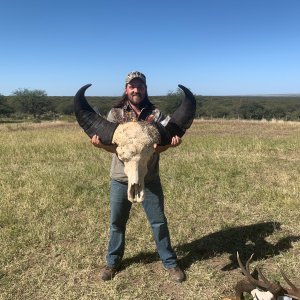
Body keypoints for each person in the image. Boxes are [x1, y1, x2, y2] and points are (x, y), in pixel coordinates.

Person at [91, 71, 185, 282]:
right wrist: (100, 145)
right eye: (132, 86)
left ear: (145, 88)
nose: (136, 90)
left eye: (140, 86)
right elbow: (112, 147)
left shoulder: (157, 115)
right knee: (117, 222)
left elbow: (160, 146)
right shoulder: (115, 115)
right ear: (126, 89)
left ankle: (170, 263)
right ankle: (112, 263)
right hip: (120, 177)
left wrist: (169, 145)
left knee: (158, 221)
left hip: (149, 177)